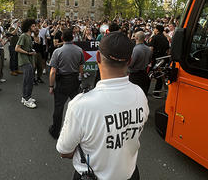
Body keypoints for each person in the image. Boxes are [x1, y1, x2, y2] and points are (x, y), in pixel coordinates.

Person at [56, 31, 149, 180]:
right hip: (130, 174)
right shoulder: (140, 94)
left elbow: (64, 151)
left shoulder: (80, 105)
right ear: (130, 61)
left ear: (98, 57)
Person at [48, 28, 85, 139]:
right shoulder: (79, 50)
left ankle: (55, 131)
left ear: (62, 38)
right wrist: (80, 78)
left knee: (59, 108)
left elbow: (53, 71)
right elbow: (81, 67)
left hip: (62, 81)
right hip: (74, 81)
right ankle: (79, 131)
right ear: (73, 37)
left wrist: (51, 86)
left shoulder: (57, 51)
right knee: (77, 107)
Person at [15, 18, 37, 109]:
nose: (35, 27)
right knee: (27, 80)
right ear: (28, 27)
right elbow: (17, 48)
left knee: (30, 79)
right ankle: (26, 98)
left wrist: (31, 52)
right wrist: (27, 53)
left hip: (29, 60)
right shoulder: (23, 36)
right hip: (25, 60)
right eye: (33, 26)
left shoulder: (30, 36)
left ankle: (27, 97)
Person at [149, 24, 170, 99]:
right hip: (163, 59)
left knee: (150, 74)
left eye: (154, 29)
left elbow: (151, 49)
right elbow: (168, 50)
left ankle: (146, 91)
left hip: (155, 59)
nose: (154, 30)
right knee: (160, 76)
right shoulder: (165, 38)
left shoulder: (154, 37)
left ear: (157, 30)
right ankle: (156, 92)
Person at [128, 31, 152, 95]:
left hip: (135, 75)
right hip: (144, 73)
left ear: (136, 38)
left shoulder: (136, 49)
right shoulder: (148, 49)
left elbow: (131, 64)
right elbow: (149, 61)